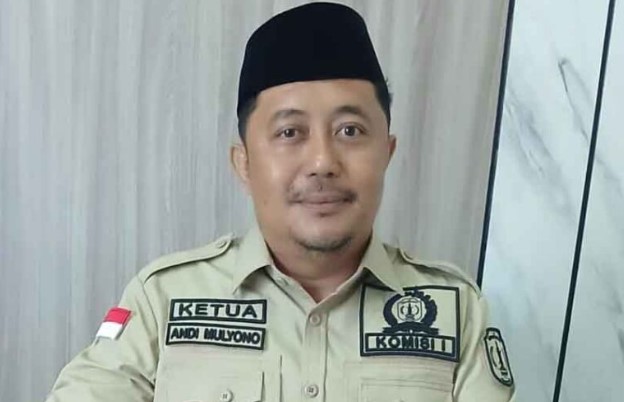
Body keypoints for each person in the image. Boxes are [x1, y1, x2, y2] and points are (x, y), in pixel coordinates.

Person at [46, 2, 516, 401]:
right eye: (290, 132)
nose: (322, 162)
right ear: (245, 164)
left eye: (350, 130)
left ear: (387, 153)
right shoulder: (164, 300)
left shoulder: (454, 312)